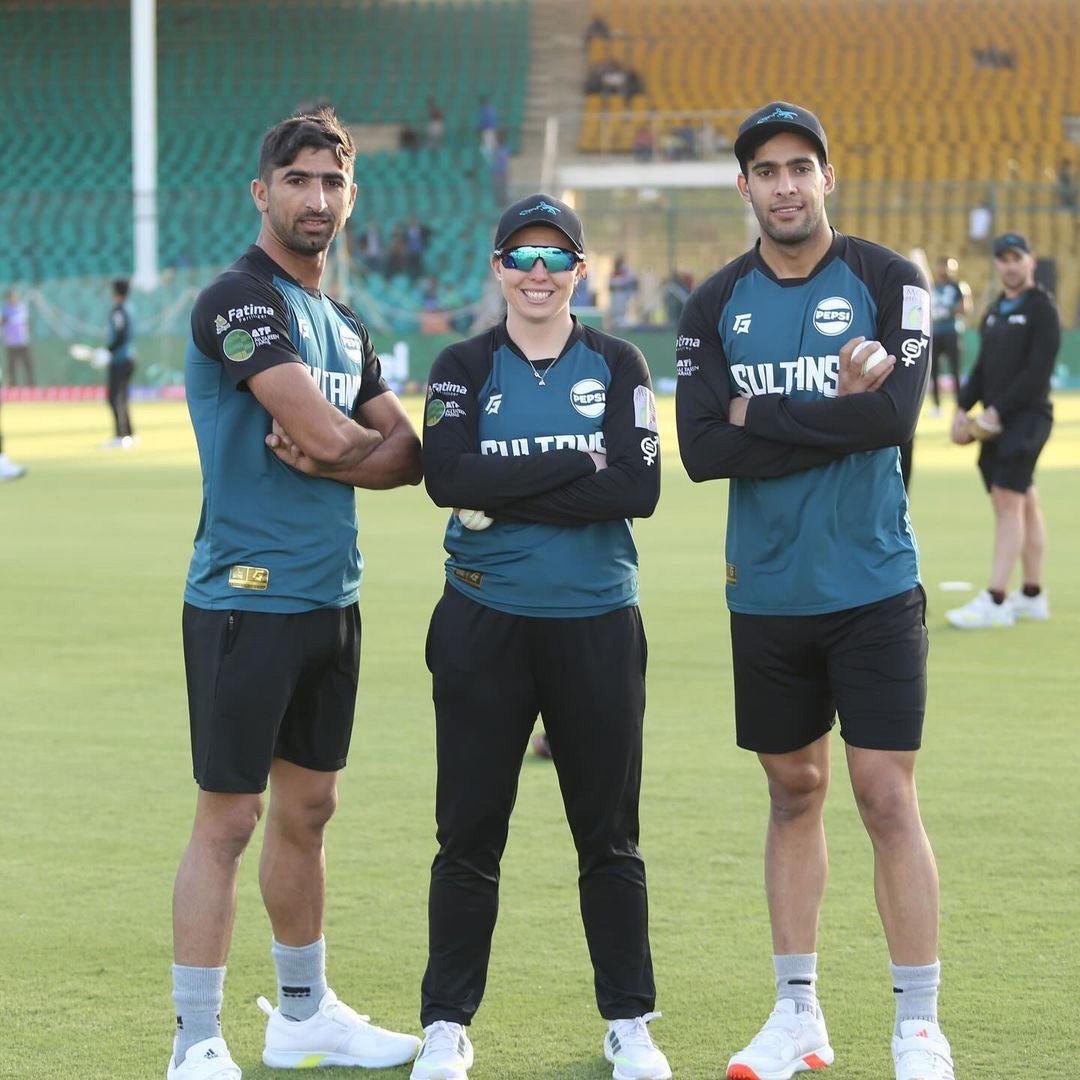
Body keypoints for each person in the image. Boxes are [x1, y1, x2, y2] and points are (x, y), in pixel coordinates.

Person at [675, 102, 954, 1080]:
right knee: (793, 791)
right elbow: (703, 448)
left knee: (884, 795)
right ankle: (797, 1014)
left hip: (873, 583)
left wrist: (766, 409)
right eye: (766, 170)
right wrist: (830, 405)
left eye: (801, 167)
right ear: (744, 187)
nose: (786, 185)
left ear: (826, 177)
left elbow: (894, 418)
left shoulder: (890, 280)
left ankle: (918, 1023)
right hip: (768, 590)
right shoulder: (712, 304)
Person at [170, 107, 424, 1080]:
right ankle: (195, 1040)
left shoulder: (345, 326)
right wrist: (353, 450)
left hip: (331, 597)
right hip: (244, 596)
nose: (315, 198)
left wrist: (338, 461)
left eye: (332, 183)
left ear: (351, 198)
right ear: (262, 192)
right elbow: (339, 436)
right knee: (227, 820)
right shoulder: (240, 301)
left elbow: (409, 459)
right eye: (298, 180)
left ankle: (305, 1014)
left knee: (310, 810)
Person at [412, 193, 669, 1080]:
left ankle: (630, 1021)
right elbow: (446, 477)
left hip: (597, 620)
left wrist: (506, 487)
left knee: (609, 834)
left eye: (555, 257)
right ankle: (445, 1025)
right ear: (497, 269)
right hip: (484, 622)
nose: (537, 271)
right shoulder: (461, 364)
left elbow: (637, 490)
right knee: (469, 831)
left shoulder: (622, 362)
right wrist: (577, 461)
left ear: (580, 272)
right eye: (521, 255)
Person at [945, 231, 1060, 630]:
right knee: (1025, 500)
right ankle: (1031, 595)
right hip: (995, 423)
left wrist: (995, 411)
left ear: (1030, 260)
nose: (1010, 265)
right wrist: (962, 407)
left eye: (1017, 258)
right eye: (1003, 259)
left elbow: (1036, 374)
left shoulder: (1042, 309)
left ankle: (995, 598)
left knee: (1007, 500)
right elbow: (981, 369)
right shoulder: (994, 310)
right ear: (997, 263)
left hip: (1026, 420)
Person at [929, 256, 972, 415]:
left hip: (951, 331)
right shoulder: (932, 287)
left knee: (955, 370)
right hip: (935, 332)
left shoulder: (958, 287)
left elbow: (965, 308)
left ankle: (959, 405)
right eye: (942, 266)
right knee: (933, 370)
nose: (944, 270)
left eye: (948, 266)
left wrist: (948, 311)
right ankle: (936, 405)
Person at [101, 278, 137, 449]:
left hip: (120, 359)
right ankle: (129, 433)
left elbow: (121, 334)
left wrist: (108, 350)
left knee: (113, 397)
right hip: (130, 357)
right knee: (122, 396)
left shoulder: (118, 310)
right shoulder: (130, 307)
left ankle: (121, 435)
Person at [2, 290, 35, 387]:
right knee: (11, 366)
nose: (13, 299)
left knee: (28, 364)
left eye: (14, 297)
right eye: (11, 297)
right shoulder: (5, 309)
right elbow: (2, 322)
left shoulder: (21, 307)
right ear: (7, 298)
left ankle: (31, 385)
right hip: (11, 343)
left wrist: (8, 319)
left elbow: (21, 319)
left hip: (22, 341)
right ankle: (13, 385)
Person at [608, 255, 638, 328]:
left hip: (623, 293)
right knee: (617, 308)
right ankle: (617, 322)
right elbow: (612, 284)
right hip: (617, 294)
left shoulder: (626, 270)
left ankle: (621, 321)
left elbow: (631, 279)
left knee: (624, 308)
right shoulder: (616, 273)